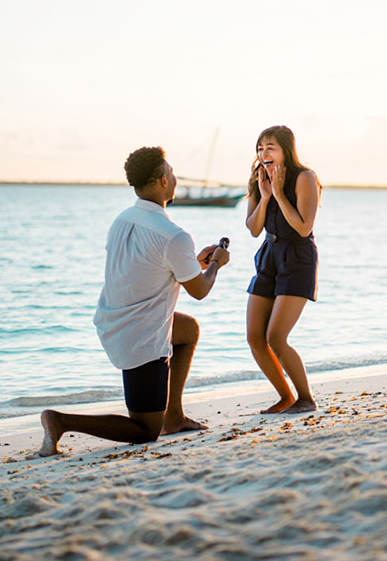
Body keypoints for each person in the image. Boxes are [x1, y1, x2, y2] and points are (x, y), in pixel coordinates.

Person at [37, 146, 229, 456]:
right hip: (142, 338)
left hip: (115, 322)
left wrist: (194, 264)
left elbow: (146, 270)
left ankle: (175, 416)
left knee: (188, 329)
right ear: (160, 181)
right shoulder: (174, 235)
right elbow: (199, 291)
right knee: (145, 432)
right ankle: (60, 421)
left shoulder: (122, 220)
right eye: (171, 172)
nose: (175, 177)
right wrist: (217, 263)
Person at [245, 125, 321, 414]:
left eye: (270, 147)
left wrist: (278, 193)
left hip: (297, 257)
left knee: (275, 337)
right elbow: (253, 229)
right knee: (255, 337)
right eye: (260, 148)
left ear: (286, 150)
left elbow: (303, 227)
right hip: (268, 255)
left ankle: (306, 398)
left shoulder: (305, 178)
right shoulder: (257, 179)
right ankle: (286, 397)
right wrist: (264, 196)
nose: (264, 153)